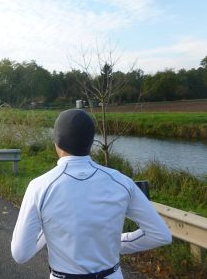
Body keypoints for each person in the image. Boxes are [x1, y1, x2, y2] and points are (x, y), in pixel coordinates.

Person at [11, 109, 172, 279]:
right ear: (91, 141)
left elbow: (20, 254)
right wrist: (113, 242)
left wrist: (48, 228)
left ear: (57, 142)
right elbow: (160, 234)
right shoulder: (122, 182)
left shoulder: (40, 187)